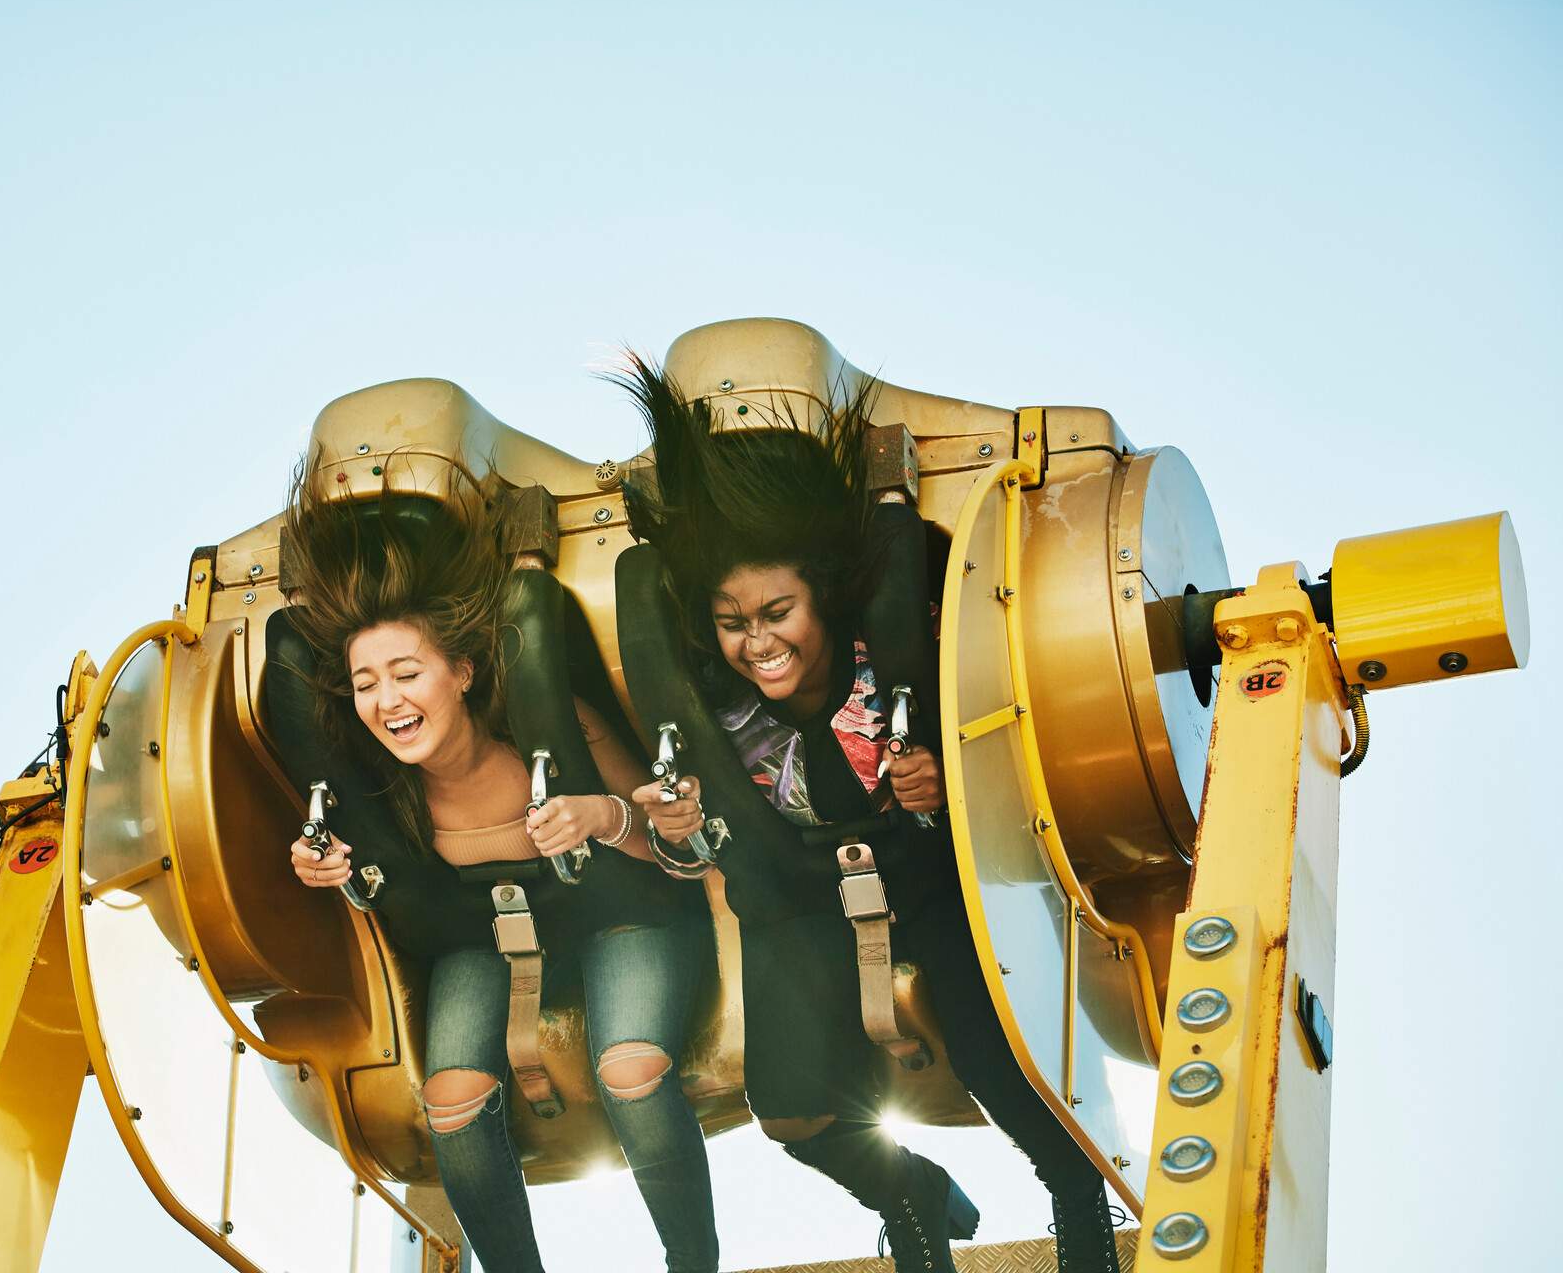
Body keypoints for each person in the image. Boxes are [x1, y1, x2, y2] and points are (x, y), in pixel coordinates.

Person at [617, 358, 1122, 1273]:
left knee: (989, 1055)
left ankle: (1074, 1196)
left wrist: (938, 786)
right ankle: (910, 1194)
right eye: (734, 623)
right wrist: (681, 822)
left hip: (919, 871)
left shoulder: (882, 665)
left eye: (777, 613)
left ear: (820, 604)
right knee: (793, 1111)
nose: (757, 641)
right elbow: (691, 823)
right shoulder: (716, 710)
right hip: (798, 892)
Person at [279, 462, 719, 1273]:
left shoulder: (552, 733)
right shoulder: (384, 795)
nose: (386, 700)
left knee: (629, 1068)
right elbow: (387, 898)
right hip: (486, 942)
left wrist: (603, 814)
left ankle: (692, 1263)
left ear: (462, 673)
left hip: (621, 917)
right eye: (365, 684)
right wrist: (331, 871)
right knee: (449, 1102)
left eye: (406, 674)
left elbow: (678, 857)